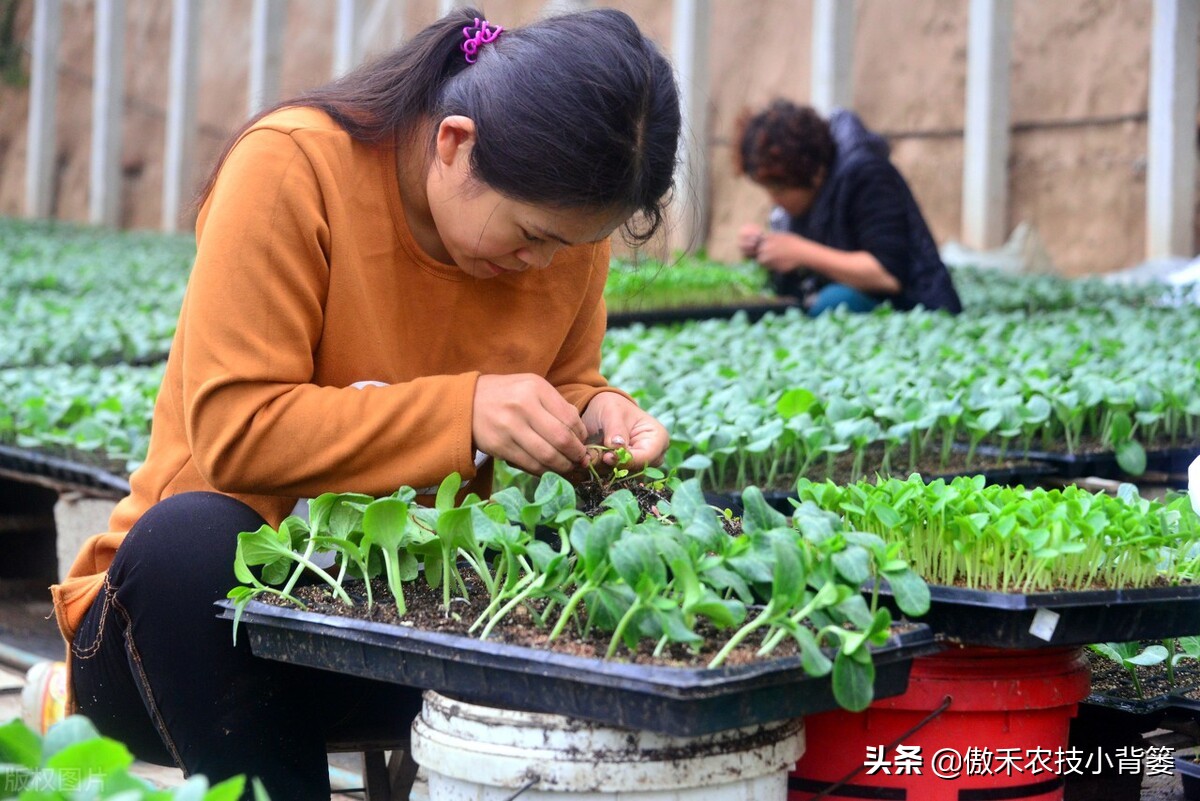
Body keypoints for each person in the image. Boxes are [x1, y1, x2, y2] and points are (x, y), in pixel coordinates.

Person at [49, 8, 680, 799]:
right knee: (193, 539)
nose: (542, 263)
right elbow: (235, 432)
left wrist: (594, 415)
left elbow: (564, 381)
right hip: (197, 635)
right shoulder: (292, 166)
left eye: (568, 246)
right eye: (530, 235)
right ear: (456, 144)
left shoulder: (564, 238)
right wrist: (465, 413)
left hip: (413, 625)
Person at [734, 99, 962, 316]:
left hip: (915, 308)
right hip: (857, 305)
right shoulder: (809, 189)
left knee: (834, 302)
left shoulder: (867, 174)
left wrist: (801, 252)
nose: (774, 201)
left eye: (779, 191)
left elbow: (888, 275)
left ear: (814, 175)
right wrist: (763, 246)